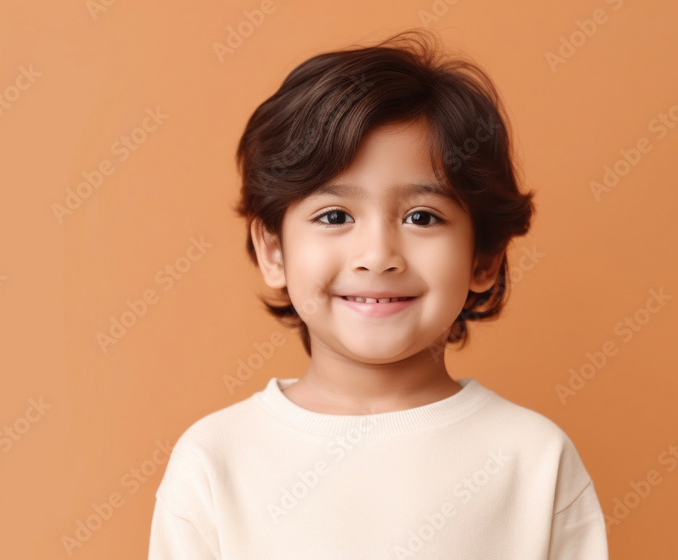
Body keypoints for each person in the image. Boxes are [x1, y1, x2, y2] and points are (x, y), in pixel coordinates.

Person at [148, 28, 608, 559]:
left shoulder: (535, 458)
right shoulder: (215, 460)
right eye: (335, 216)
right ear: (274, 250)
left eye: (422, 216)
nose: (378, 254)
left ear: (484, 257)